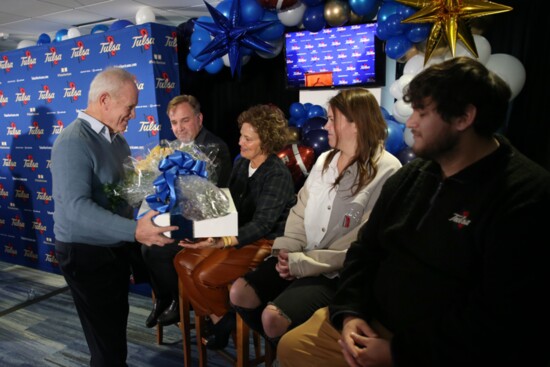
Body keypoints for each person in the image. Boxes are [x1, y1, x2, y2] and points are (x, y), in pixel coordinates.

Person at [276, 57, 550, 367]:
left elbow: (501, 315)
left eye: (421, 112)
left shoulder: (525, 194)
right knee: (291, 347)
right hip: (368, 322)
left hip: (435, 349)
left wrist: (397, 352)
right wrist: (350, 314)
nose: (409, 123)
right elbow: (365, 251)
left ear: (464, 117)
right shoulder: (413, 176)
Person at [229, 88, 401, 347]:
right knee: (239, 292)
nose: (326, 125)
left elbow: (358, 245)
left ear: (356, 123)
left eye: (332, 119)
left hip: (337, 275)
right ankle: (281, 353)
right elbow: (300, 210)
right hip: (300, 257)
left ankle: (286, 353)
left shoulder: (388, 169)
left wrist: (300, 264)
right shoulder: (323, 160)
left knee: (272, 318)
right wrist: (287, 252)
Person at [51, 67, 178, 367]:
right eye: (130, 107)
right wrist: (135, 230)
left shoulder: (117, 140)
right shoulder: (73, 142)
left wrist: (163, 189)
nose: (133, 115)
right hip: (85, 255)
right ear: (105, 100)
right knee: (106, 344)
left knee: (114, 333)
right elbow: (76, 209)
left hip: (113, 248)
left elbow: (125, 194)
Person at [174, 104, 297, 350]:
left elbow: (263, 225)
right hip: (236, 236)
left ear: (267, 140)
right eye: (241, 135)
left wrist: (225, 240)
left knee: (203, 276)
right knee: (182, 261)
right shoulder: (241, 164)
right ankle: (222, 319)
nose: (239, 141)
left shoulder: (277, 174)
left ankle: (222, 322)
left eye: (247, 138)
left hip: (265, 242)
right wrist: (208, 231)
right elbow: (226, 206)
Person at [141, 94, 232, 329]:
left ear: (199, 118)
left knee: (156, 249)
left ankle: (178, 302)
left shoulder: (214, 148)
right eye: (174, 123)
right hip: (181, 215)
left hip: (207, 222)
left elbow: (212, 198)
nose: (179, 128)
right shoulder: (171, 148)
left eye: (184, 120)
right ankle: (164, 298)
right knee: (141, 239)